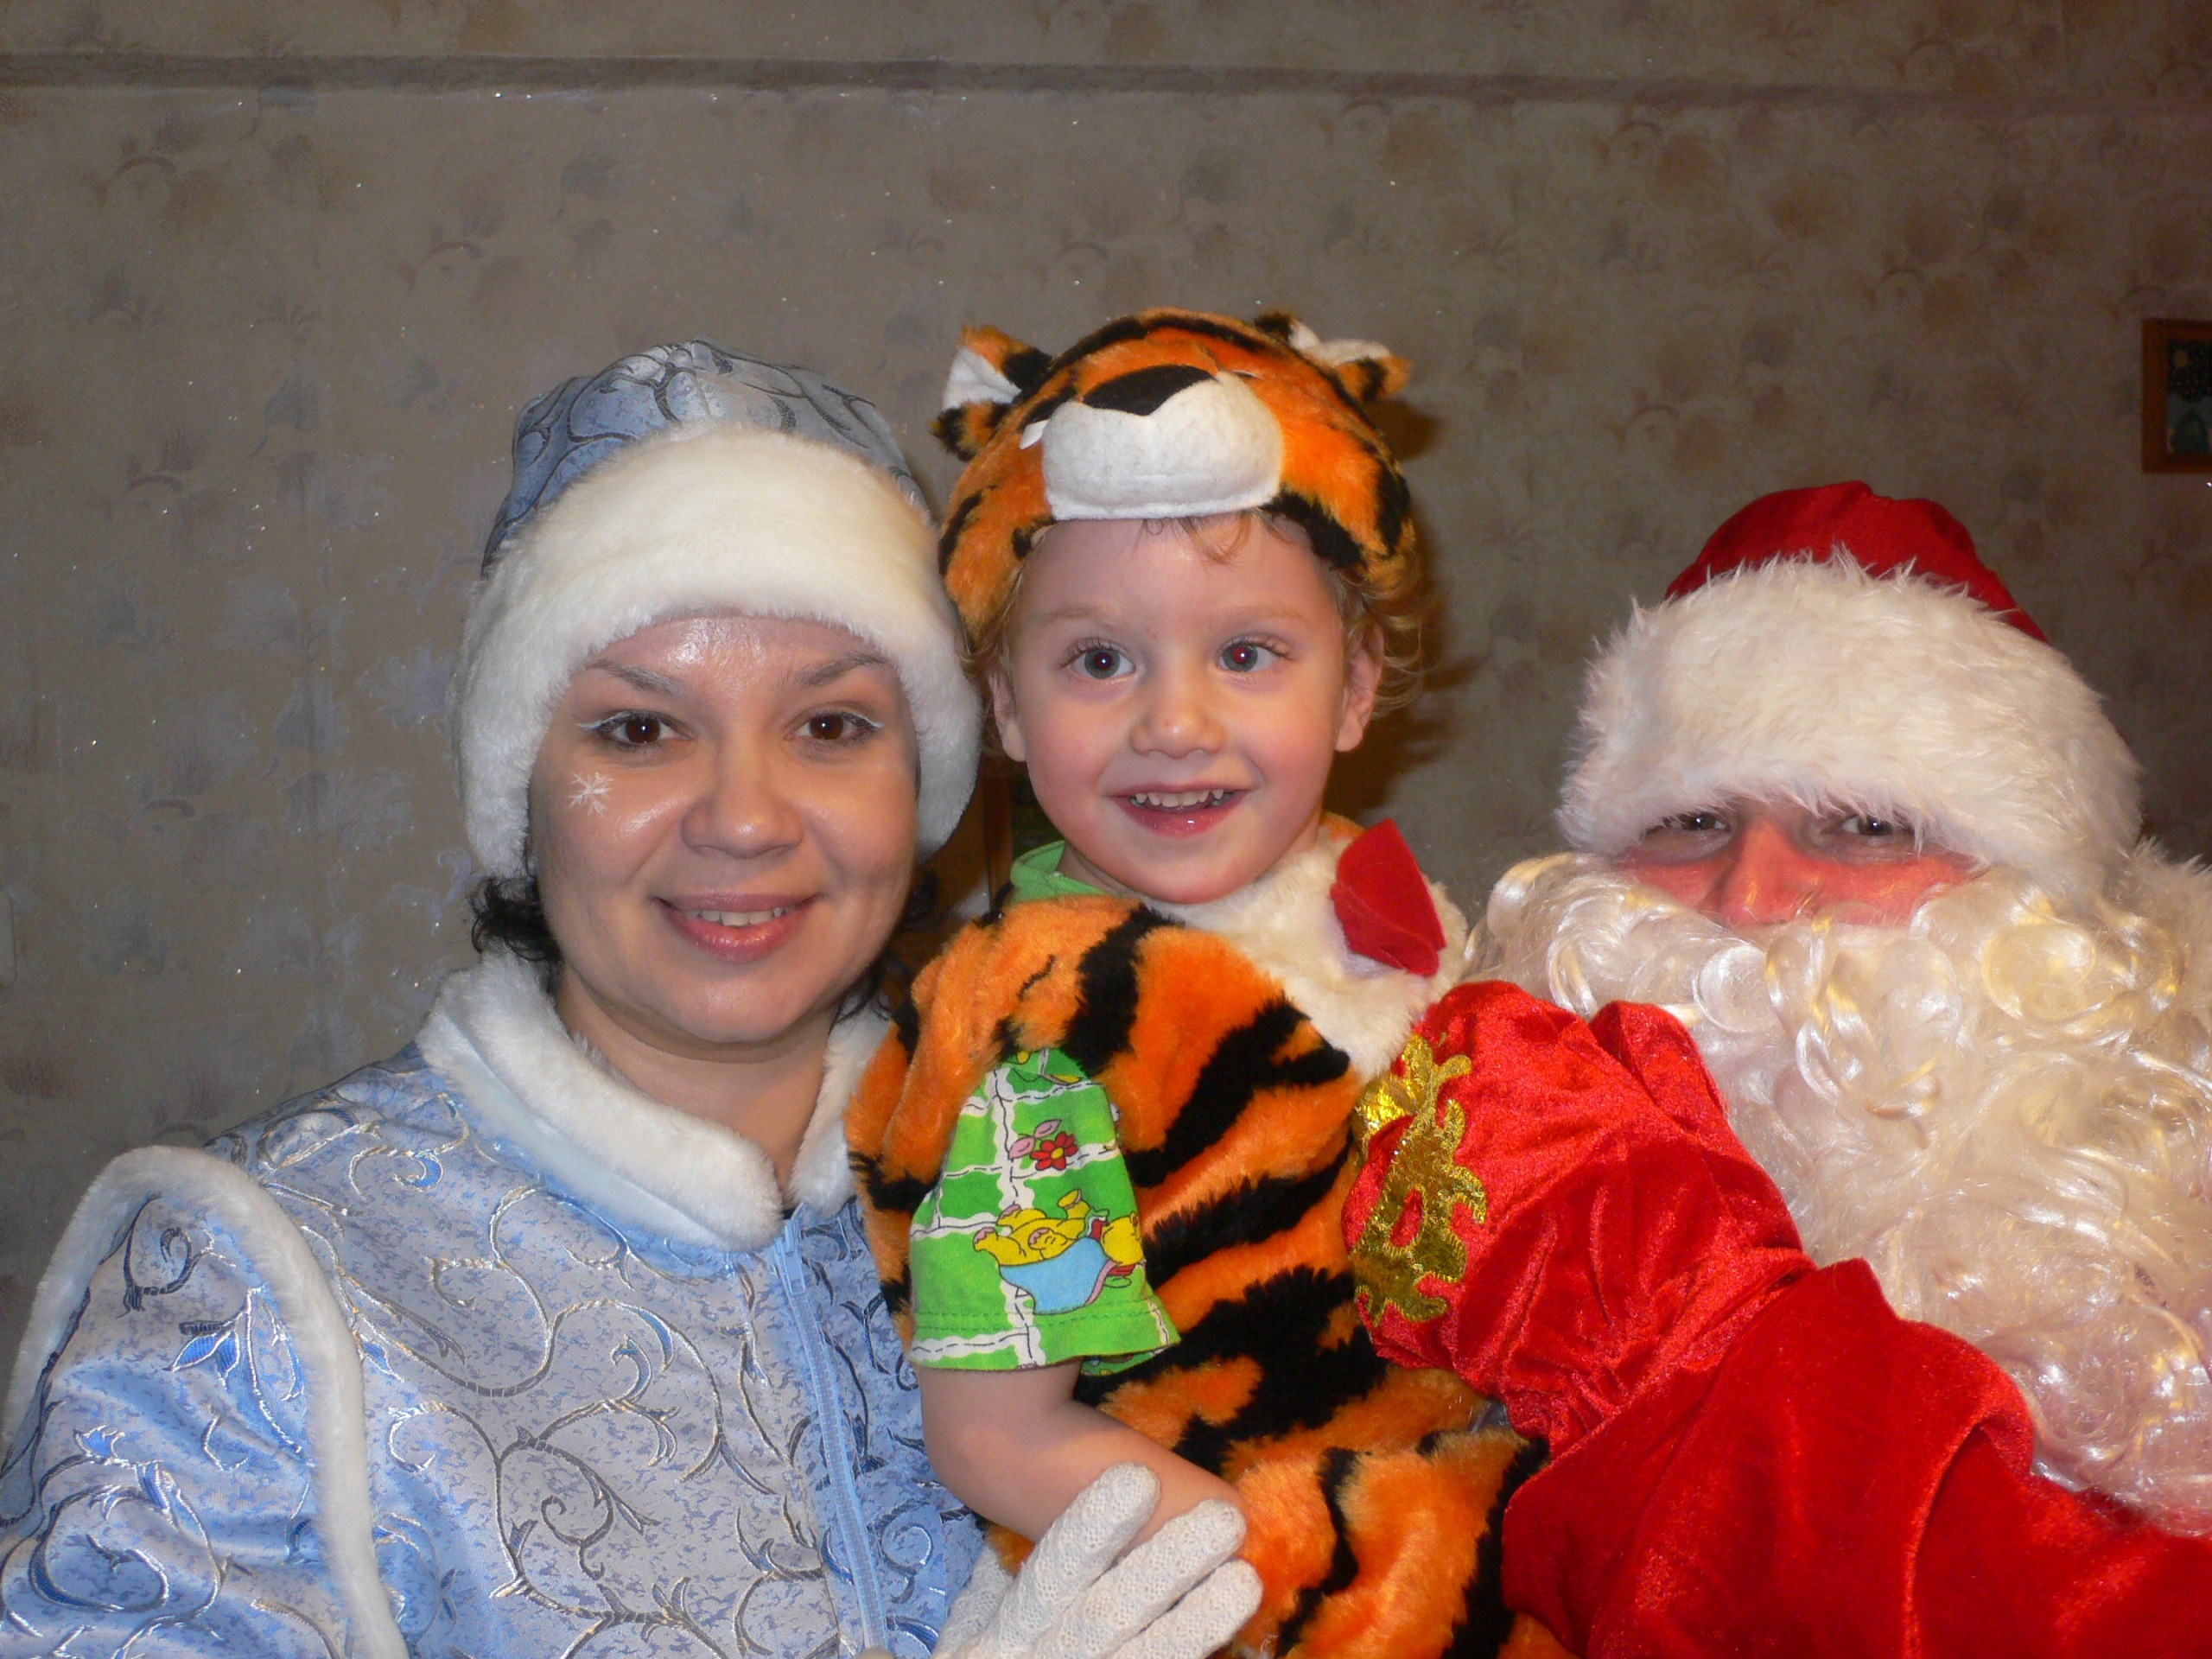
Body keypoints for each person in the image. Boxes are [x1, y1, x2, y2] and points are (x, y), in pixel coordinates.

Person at [0, 340, 1259, 1659]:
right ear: (523, 792)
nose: (745, 819)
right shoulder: (247, 1288)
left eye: (831, 727)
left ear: (922, 786)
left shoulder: (1114, 1158)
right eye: (640, 730)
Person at [1348, 481, 2212, 1656]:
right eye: (1693, 823)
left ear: (2034, 898)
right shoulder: (1473, 1116)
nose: (1753, 900)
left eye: (1865, 826)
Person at [849, 310, 1558, 1659]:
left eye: (1246, 655)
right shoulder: (1058, 1029)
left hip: (1483, 1541)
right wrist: (1304, 1595)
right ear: (1007, 707)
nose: (1175, 724)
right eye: (1099, 661)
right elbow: (1000, 1435)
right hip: (1237, 1599)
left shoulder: (1372, 900)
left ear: (1355, 687)